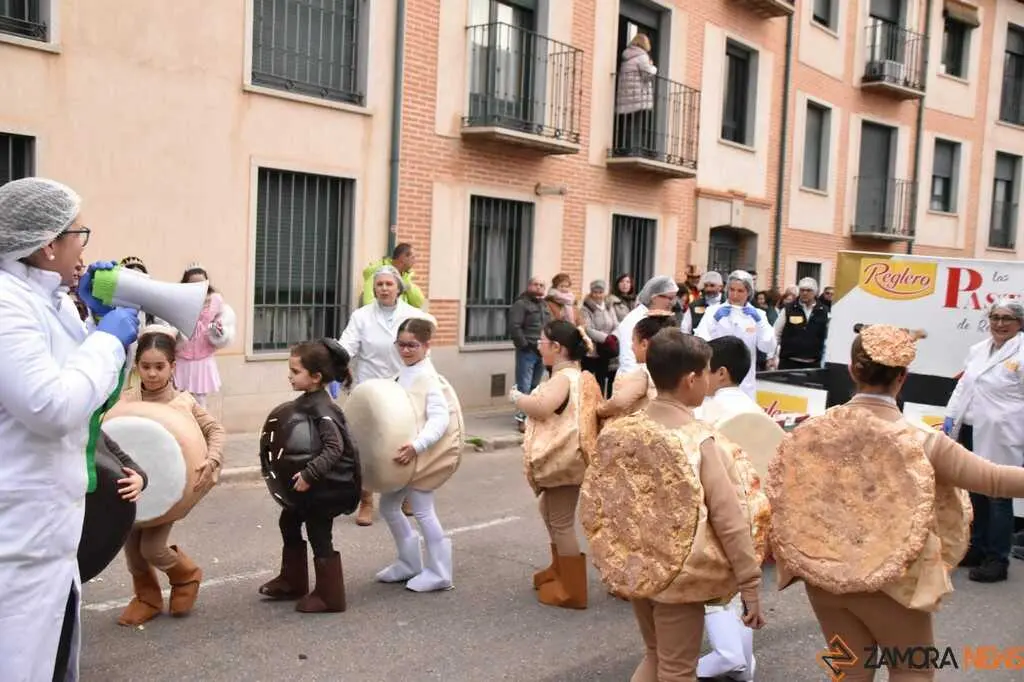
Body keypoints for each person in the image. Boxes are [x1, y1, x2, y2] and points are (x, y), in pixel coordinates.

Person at [767, 324, 1024, 680]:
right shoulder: (921, 441)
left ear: (853, 370)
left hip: (823, 577)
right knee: (911, 670)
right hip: (893, 582)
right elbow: (995, 479)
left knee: (848, 670)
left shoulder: (812, 430)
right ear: (903, 377)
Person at [0, 177, 140, 682]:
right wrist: (104, 340)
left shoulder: (53, 301)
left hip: (49, 534)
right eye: (79, 231)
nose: (85, 243)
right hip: (15, 538)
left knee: (53, 659)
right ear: (47, 244)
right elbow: (52, 405)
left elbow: (92, 401)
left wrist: (105, 335)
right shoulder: (5, 304)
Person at [585, 329, 765, 680]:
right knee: (677, 669)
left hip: (637, 567)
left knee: (655, 655)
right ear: (691, 379)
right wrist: (750, 583)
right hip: (682, 577)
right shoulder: (700, 441)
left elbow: (601, 502)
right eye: (707, 373)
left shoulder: (621, 431)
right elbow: (729, 518)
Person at [115, 328, 226, 626]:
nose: (152, 374)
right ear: (137, 366)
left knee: (152, 548)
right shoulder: (124, 400)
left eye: (159, 367)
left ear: (173, 367)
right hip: (131, 490)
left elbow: (216, 430)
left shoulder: (183, 402)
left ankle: (186, 576)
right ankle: (147, 598)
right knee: (133, 552)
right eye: (146, 367)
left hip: (168, 488)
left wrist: (212, 459)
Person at [258, 339, 360, 613]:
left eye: (295, 371)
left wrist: (308, 474)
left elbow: (335, 447)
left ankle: (331, 596)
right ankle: (293, 580)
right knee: (288, 520)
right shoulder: (307, 401)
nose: (289, 376)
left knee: (318, 533)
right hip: (310, 491)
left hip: (324, 490)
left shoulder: (323, 409)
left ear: (316, 377)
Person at [510, 321, 599, 610]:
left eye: (543, 342)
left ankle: (573, 590)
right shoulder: (573, 375)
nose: (539, 345)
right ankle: (558, 568)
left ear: (557, 348)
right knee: (547, 510)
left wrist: (518, 398)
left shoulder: (564, 378)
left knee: (561, 522)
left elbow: (542, 407)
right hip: (567, 459)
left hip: (565, 462)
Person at [339, 264, 436, 526]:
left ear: (398, 288)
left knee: (406, 443)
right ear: (374, 288)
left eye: (388, 284)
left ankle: (406, 496)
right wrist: (333, 360)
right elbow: (347, 346)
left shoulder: (414, 316)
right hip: (369, 389)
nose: (383, 288)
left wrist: (427, 383)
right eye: (379, 284)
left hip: (403, 389)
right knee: (363, 446)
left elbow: (425, 353)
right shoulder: (361, 316)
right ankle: (366, 502)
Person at [376, 318, 462, 593]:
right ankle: (409, 562)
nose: (405, 350)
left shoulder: (428, 378)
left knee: (424, 512)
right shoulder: (406, 371)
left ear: (426, 345)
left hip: (418, 459)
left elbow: (439, 420)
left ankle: (439, 572)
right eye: (400, 344)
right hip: (404, 458)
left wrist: (417, 445)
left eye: (412, 345)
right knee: (388, 507)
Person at [942, 297, 1024, 583]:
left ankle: (997, 558)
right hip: (971, 429)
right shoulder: (978, 350)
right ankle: (975, 548)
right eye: (995, 317)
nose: (1000, 324)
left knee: (998, 496)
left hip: (1003, 435)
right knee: (974, 491)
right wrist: (950, 422)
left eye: (1007, 319)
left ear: (1019, 323)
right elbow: (963, 388)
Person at [694, 270, 776, 400]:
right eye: (732, 290)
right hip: (716, 378)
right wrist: (714, 321)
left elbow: (768, 346)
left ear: (749, 292)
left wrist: (760, 324)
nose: (735, 295)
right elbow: (700, 343)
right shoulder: (713, 312)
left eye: (740, 291)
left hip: (745, 383)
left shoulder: (758, 315)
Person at [174, 263, 235, 407]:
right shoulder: (178, 300)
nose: (198, 286)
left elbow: (223, 322)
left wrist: (219, 331)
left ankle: (200, 426)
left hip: (203, 356)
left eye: (201, 282)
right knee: (180, 396)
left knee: (200, 399)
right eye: (193, 283)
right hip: (182, 356)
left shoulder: (216, 300)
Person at [597, 311, 676, 420]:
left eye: (633, 341)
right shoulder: (676, 369)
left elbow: (619, 402)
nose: (631, 347)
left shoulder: (646, 372)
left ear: (644, 344)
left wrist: (600, 410)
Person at [508, 276, 551, 430]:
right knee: (523, 385)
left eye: (542, 285)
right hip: (527, 350)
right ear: (529, 286)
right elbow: (514, 326)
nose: (539, 287)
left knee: (534, 386)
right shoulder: (521, 304)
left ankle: (531, 416)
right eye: (535, 284)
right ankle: (521, 419)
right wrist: (523, 345)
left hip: (542, 350)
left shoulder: (545, 305)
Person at [615, 275, 678, 375]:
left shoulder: (661, 319)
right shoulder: (634, 320)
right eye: (669, 298)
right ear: (654, 297)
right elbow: (628, 360)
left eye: (674, 298)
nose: (673, 303)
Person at [698, 336, 763, 425]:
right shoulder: (757, 410)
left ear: (721, 373)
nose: (699, 376)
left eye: (704, 370)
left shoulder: (704, 412)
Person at [770, 277, 829, 371]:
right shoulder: (788, 309)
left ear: (815, 292)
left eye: (809, 290)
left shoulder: (824, 311)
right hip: (788, 362)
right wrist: (771, 356)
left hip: (813, 364)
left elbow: (827, 338)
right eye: (802, 290)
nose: (805, 293)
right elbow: (776, 334)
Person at [614, 33, 657, 155]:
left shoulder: (626, 57)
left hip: (626, 96)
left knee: (627, 124)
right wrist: (653, 67)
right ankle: (640, 150)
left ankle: (625, 149)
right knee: (641, 124)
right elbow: (647, 75)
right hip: (638, 96)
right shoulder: (642, 57)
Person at [580, 279, 619, 397]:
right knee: (588, 381)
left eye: (600, 292)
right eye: (595, 292)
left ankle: (599, 405)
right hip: (591, 351)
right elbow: (588, 329)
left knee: (601, 380)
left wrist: (614, 336)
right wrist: (606, 338)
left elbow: (615, 323)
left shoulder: (608, 306)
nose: (598, 295)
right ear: (591, 292)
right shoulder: (586, 308)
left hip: (605, 350)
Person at [360, 242, 425, 308]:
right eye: (413, 257)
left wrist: (409, 288)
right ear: (403, 258)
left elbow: (418, 303)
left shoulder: (405, 277)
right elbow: (368, 303)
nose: (415, 261)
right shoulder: (378, 274)